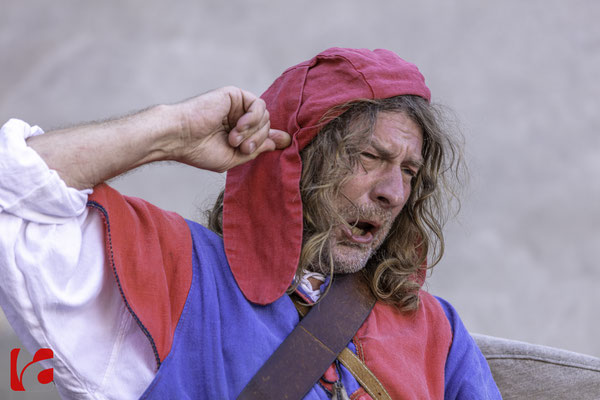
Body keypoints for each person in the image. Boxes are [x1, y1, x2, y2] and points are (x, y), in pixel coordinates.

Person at [0, 47, 501, 399]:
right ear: (299, 160)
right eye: (369, 157)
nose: (393, 192)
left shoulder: (438, 330)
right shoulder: (176, 270)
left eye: (408, 172)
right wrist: (171, 132)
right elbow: (14, 193)